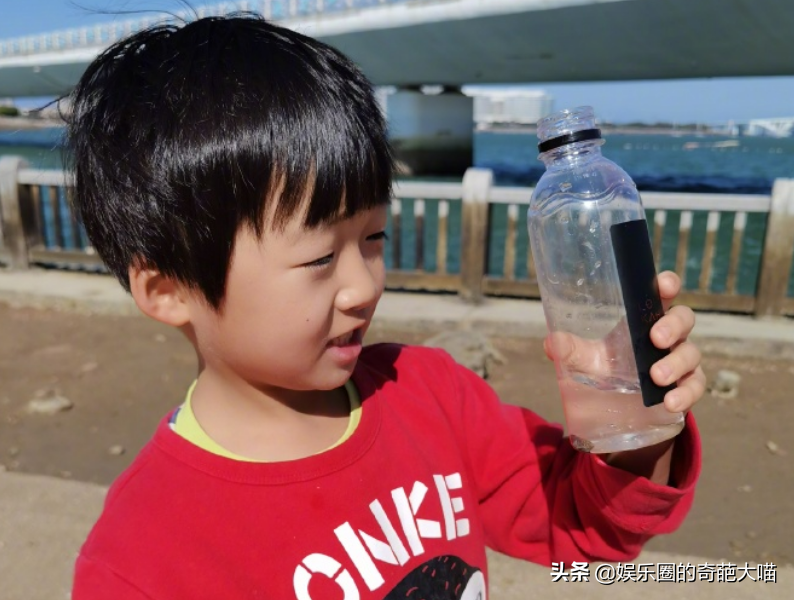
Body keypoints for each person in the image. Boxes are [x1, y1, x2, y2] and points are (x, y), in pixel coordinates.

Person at [67, 13, 705, 600]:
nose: (364, 286)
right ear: (170, 290)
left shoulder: (431, 397)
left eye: (374, 239)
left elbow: (582, 522)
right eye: (319, 257)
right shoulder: (140, 557)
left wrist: (635, 418)